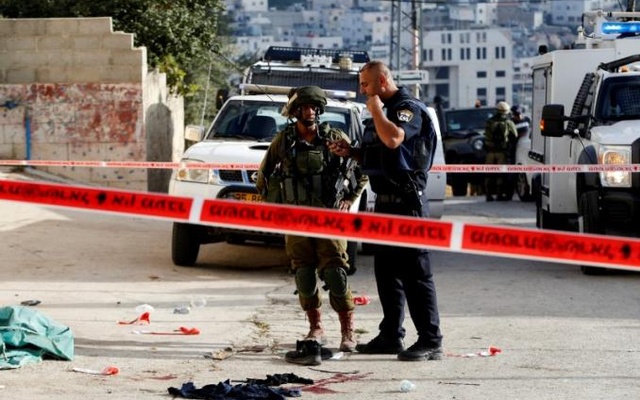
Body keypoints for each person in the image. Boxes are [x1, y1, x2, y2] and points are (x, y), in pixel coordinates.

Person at [328, 60, 443, 362]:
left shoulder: (408, 108)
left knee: (416, 276)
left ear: (381, 80)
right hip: (384, 204)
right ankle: (391, 335)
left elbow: (394, 139)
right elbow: (382, 152)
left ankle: (431, 340)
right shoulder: (384, 111)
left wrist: (376, 110)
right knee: (387, 274)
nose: (361, 90)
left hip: (407, 205)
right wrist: (351, 151)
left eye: (365, 84)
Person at [256, 86, 368, 365]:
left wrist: (350, 199)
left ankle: (347, 330)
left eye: (313, 107)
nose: (310, 112)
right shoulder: (284, 140)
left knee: (335, 275)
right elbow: (264, 175)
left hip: (329, 219)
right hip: (296, 221)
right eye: (304, 108)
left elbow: (362, 166)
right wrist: (276, 206)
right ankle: (315, 327)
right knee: (304, 277)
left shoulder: (334, 137)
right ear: (295, 112)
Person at [483, 101, 517, 202]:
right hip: (501, 152)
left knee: (488, 174)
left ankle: (488, 196)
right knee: (500, 174)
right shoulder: (508, 122)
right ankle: (499, 195)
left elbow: (485, 135)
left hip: (490, 152)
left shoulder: (489, 121)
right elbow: (514, 135)